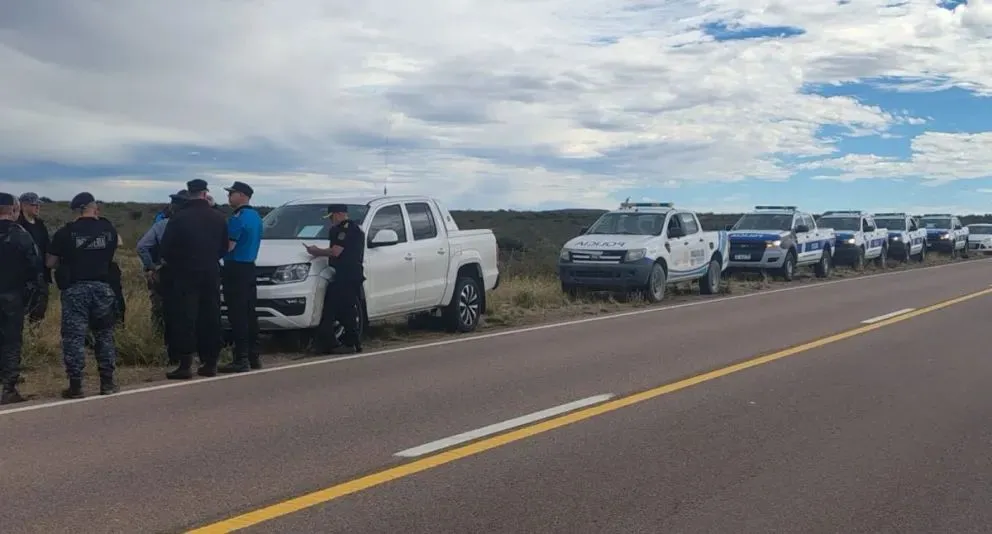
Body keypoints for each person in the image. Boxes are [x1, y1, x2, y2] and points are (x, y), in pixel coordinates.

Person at [47, 192, 121, 398]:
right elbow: (117, 246)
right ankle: (107, 382)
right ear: (92, 207)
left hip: (76, 290)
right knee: (104, 335)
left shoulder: (65, 233)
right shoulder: (108, 229)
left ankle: (76, 385)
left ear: (78, 209)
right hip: (102, 289)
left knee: (74, 338)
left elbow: (49, 262)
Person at [159, 179, 228, 379]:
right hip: (211, 271)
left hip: (184, 272)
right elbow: (224, 247)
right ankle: (211, 361)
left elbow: (165, 249)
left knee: (185, 317)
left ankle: (185, 364)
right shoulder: (218, 217)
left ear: (189, 194)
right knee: (211, 315)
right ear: (205, 194)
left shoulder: (179, 218)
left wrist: (177, 263)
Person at [136, 190, 189, 364]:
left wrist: (151, 267)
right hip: (188, 274)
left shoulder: (161, 224)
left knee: (161, 311)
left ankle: (165, 348)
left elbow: (142, 246)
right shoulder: (194, 224)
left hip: (163, 274)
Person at [0, 193, 43, 404]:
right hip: (12, 297)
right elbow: (35, 267)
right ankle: (8, 388)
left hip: (12, 295)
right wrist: (30, 296)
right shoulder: (22, 235)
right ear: (14, 210)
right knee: (11, 342)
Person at [305, 204, 365, 354]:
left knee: (343, 309)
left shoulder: (347, 229)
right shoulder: (338, 229)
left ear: (339, 214)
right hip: (341, 274)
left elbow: (336, 251)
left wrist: (316, 251)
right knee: (338, 309)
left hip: (349, 274)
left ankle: (349, 342)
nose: (330, 220)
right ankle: (339, 341)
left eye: (331, 217)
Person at [218, 181, 264, 373]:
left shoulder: (237, 218)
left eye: (232, 193)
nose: (229, 197)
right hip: (249, 268)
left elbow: (229, 246)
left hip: (235, 268)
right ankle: (253, 355)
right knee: (249, 313)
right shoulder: (255, 216)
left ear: (243, 195)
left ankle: (241, 358)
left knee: (237, 315)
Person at [16, 192, 51, 323]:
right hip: (22, 276)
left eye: (38, 205)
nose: (38, 207)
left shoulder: (40, 224)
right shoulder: (17, 225)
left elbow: (47, 246)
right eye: (34, 205)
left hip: (41, 275)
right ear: (23, 206)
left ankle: (35, 337)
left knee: (39, 309)